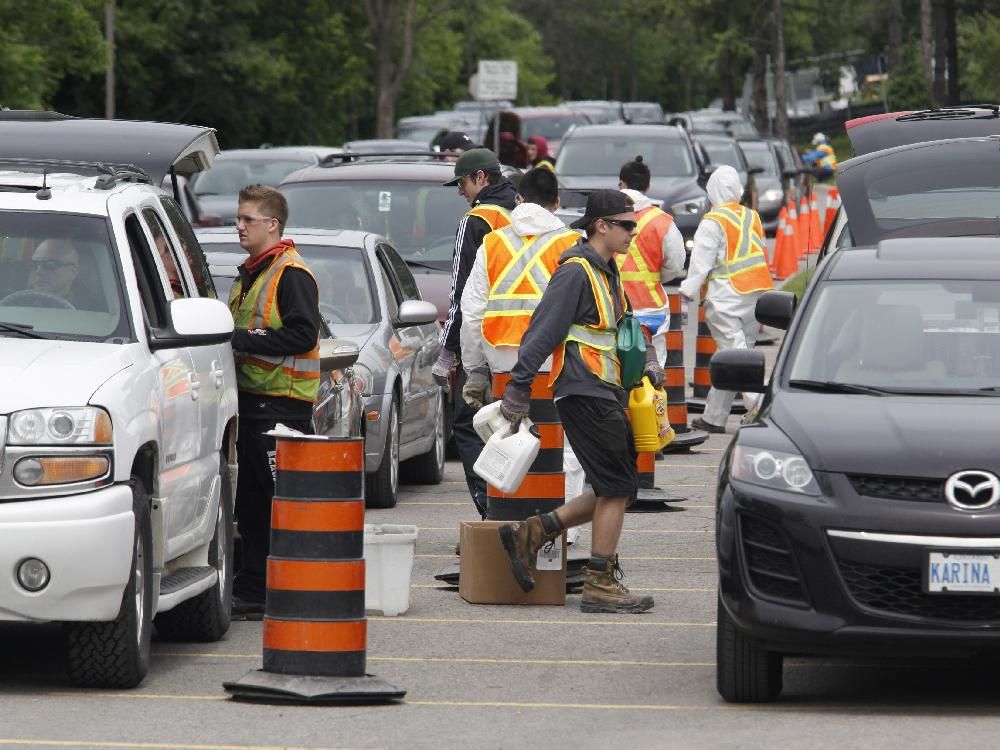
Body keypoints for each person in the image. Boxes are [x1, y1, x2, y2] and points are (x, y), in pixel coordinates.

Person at [495, 189, 664, 614]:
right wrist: (518, 386)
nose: (633, 231)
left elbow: (619, 327)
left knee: (619, 487)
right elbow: (543, 329)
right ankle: (599, 582)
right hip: (582, 390)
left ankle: (532, 533)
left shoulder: (606, 271)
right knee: (617, 487)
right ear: (601, 225)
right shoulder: (576, 271)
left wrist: (647, 361)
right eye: (626, 224)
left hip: (602, 390)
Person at [459, 166, 586, 543]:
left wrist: (475, 368)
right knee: (560, 446)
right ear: (558, 203)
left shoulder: (494, 243)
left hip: (502, 362)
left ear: (518, 200)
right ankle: (564, 535)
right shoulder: (573, 243)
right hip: (554, 361)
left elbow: (472, 312)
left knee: (508, 445)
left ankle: (507, 527)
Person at [228, 184, 323, 614]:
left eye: (248, 219)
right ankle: (253, 587)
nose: (239, 226)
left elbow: (304, 334)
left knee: (278, 503)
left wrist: (246, 339)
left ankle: (288, 588)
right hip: (253, 405)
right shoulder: (251, 271)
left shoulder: (291, 273)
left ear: (272, 224)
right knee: (250, 505)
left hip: (282, 408)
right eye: (239, 218)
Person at [435, 148, 518, 519]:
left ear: (481, 178)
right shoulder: (523, 210)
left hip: (485, 343)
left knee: (469, 425)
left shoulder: (477, 221)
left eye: (463, 183)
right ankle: (521, 507)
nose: (460, 192)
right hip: (532, 346)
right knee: (516, 426)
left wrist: (448, 352)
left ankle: (491, 510)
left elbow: (462, 294)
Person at [679, 166, 773, 434]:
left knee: (738, 357)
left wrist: (686, 293)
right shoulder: (751, 216)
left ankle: (764, 406)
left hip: (727, 295)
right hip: (756, 294)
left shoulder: (713, 221)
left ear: (712, 191)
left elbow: (700, 265)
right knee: (733, 355)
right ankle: (714, 418)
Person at [615, 155, 686, 365]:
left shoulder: (603, 217)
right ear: (648, 186)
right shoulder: (662, 221)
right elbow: (675, 264)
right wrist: (654, 275)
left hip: (611, 308)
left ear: (621, 184)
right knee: (652, 369)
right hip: (650, 308)